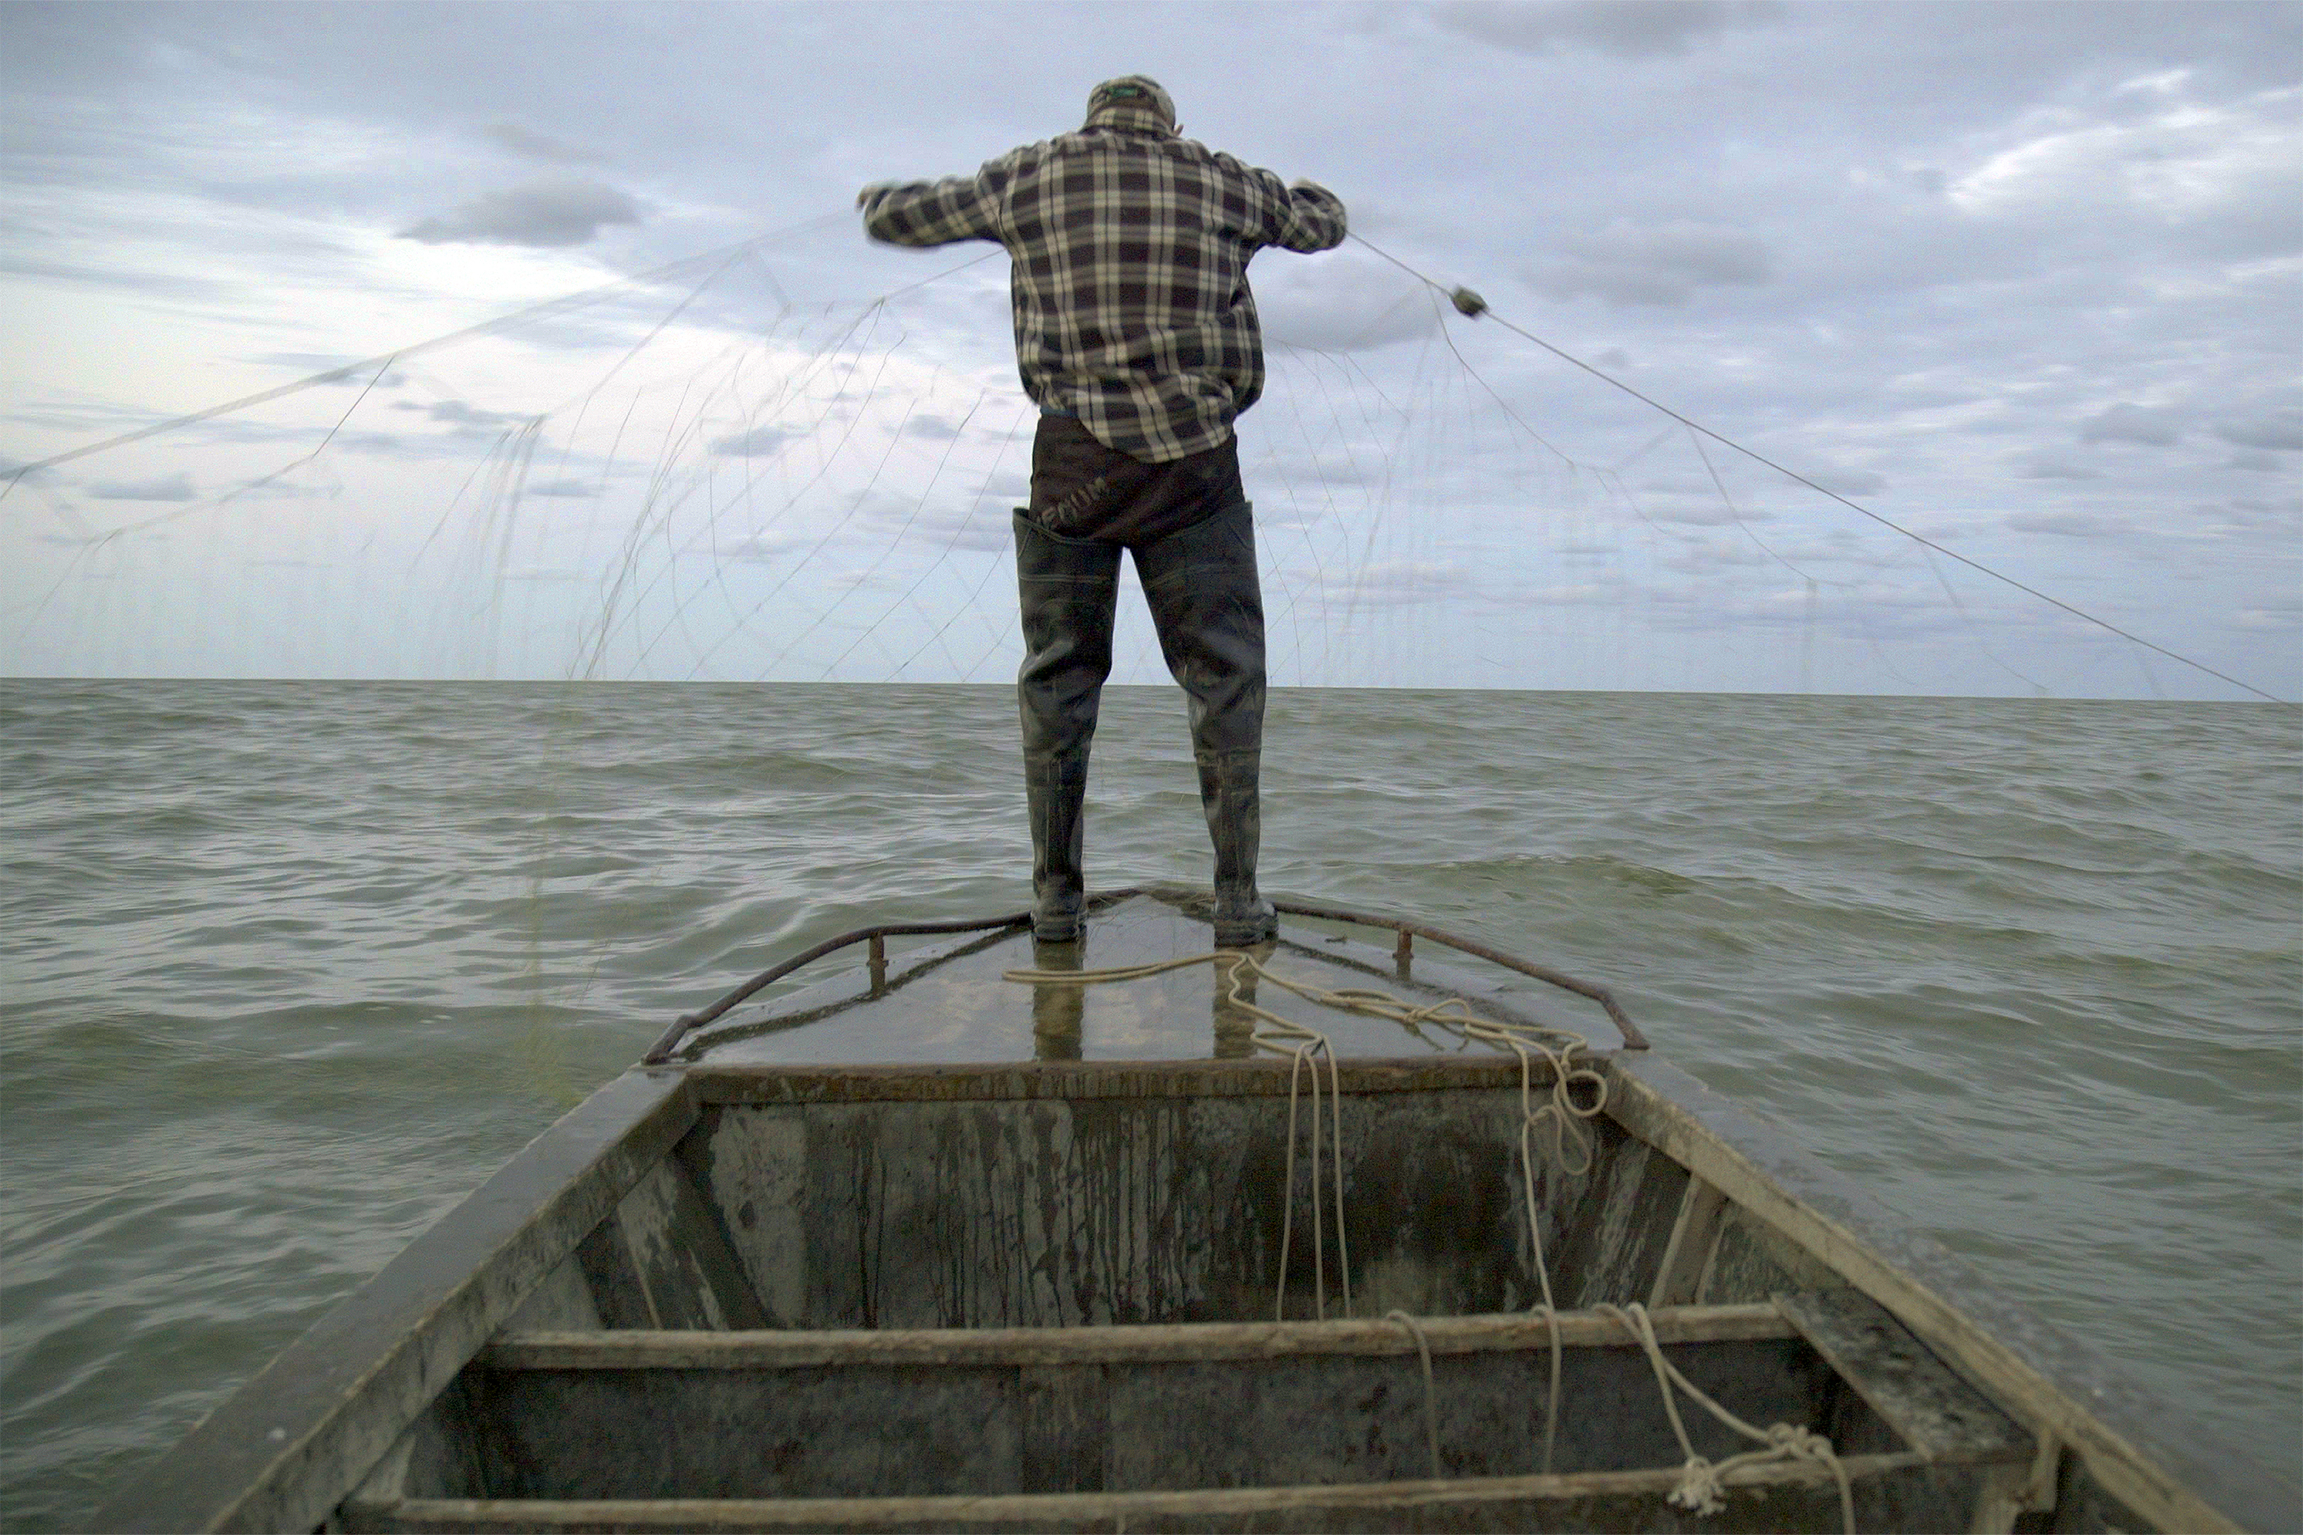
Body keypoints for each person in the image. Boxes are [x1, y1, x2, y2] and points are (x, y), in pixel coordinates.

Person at [860, 76, 1347, 947]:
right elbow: (1321, 222)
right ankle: (1237, 902)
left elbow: (903, 218)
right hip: (1194, 468)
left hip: (1073, 464)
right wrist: (1307, 197)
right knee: (1225, 680)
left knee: (1059, 680)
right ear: (1171, 126)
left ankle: (1055, 905)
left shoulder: (1030, 175)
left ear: (1090, 121)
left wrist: (876, 201)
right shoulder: (1221, 178)